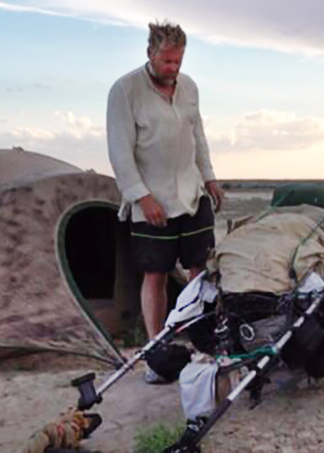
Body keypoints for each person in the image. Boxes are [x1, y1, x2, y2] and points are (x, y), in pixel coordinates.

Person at [106, 20, 225, 383]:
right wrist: (143, 197)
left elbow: (198, 136)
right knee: (155, 275)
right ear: (150, 54)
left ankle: (202, 345)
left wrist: (209, 177)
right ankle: (157, 356)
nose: (174, 69)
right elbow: (120, 152)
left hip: (191, 194)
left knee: (201, 271)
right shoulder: (125, 91)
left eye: (179, 61)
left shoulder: (188, 88)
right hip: (151, 200)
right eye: (167, 62)